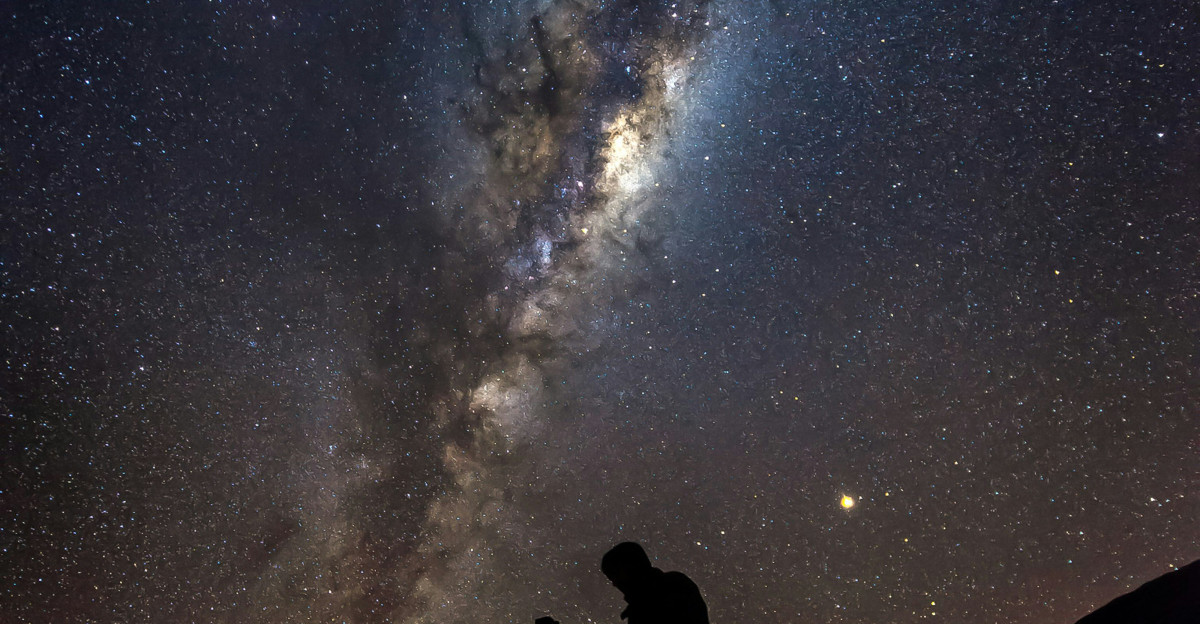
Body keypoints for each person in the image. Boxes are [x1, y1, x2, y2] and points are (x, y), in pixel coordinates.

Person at [538, 542, 709, 624]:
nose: (615, 584)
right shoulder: (665, 590)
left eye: (615, 575)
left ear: (631, 567)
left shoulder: (666, 592)